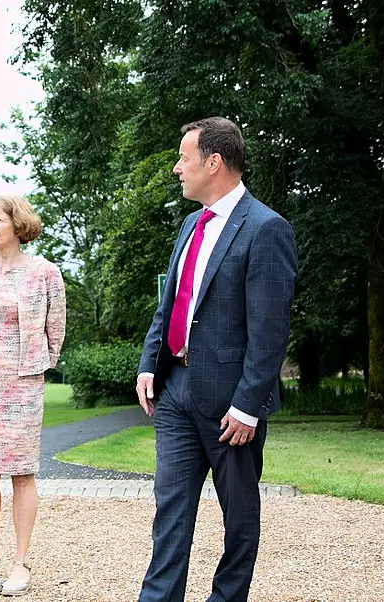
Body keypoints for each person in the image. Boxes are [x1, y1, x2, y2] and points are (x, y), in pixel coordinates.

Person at [134, 117, 297, 602]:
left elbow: (269, 331)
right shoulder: (190, 225)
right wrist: (149, 364)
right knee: (170, 514)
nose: (177, 168)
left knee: (239, 519)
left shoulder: (267, 229)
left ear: (214, 162)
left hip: (232, 407)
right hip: (176, 394)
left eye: (184, 158)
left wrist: (249, 405)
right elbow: (172, 305)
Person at [0, 194, 66, 597]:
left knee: (22, 473)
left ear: (17, 224)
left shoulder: (45, 273)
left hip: (22, 385)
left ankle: (21, 562)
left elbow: (56, 329)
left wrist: (37, 367)